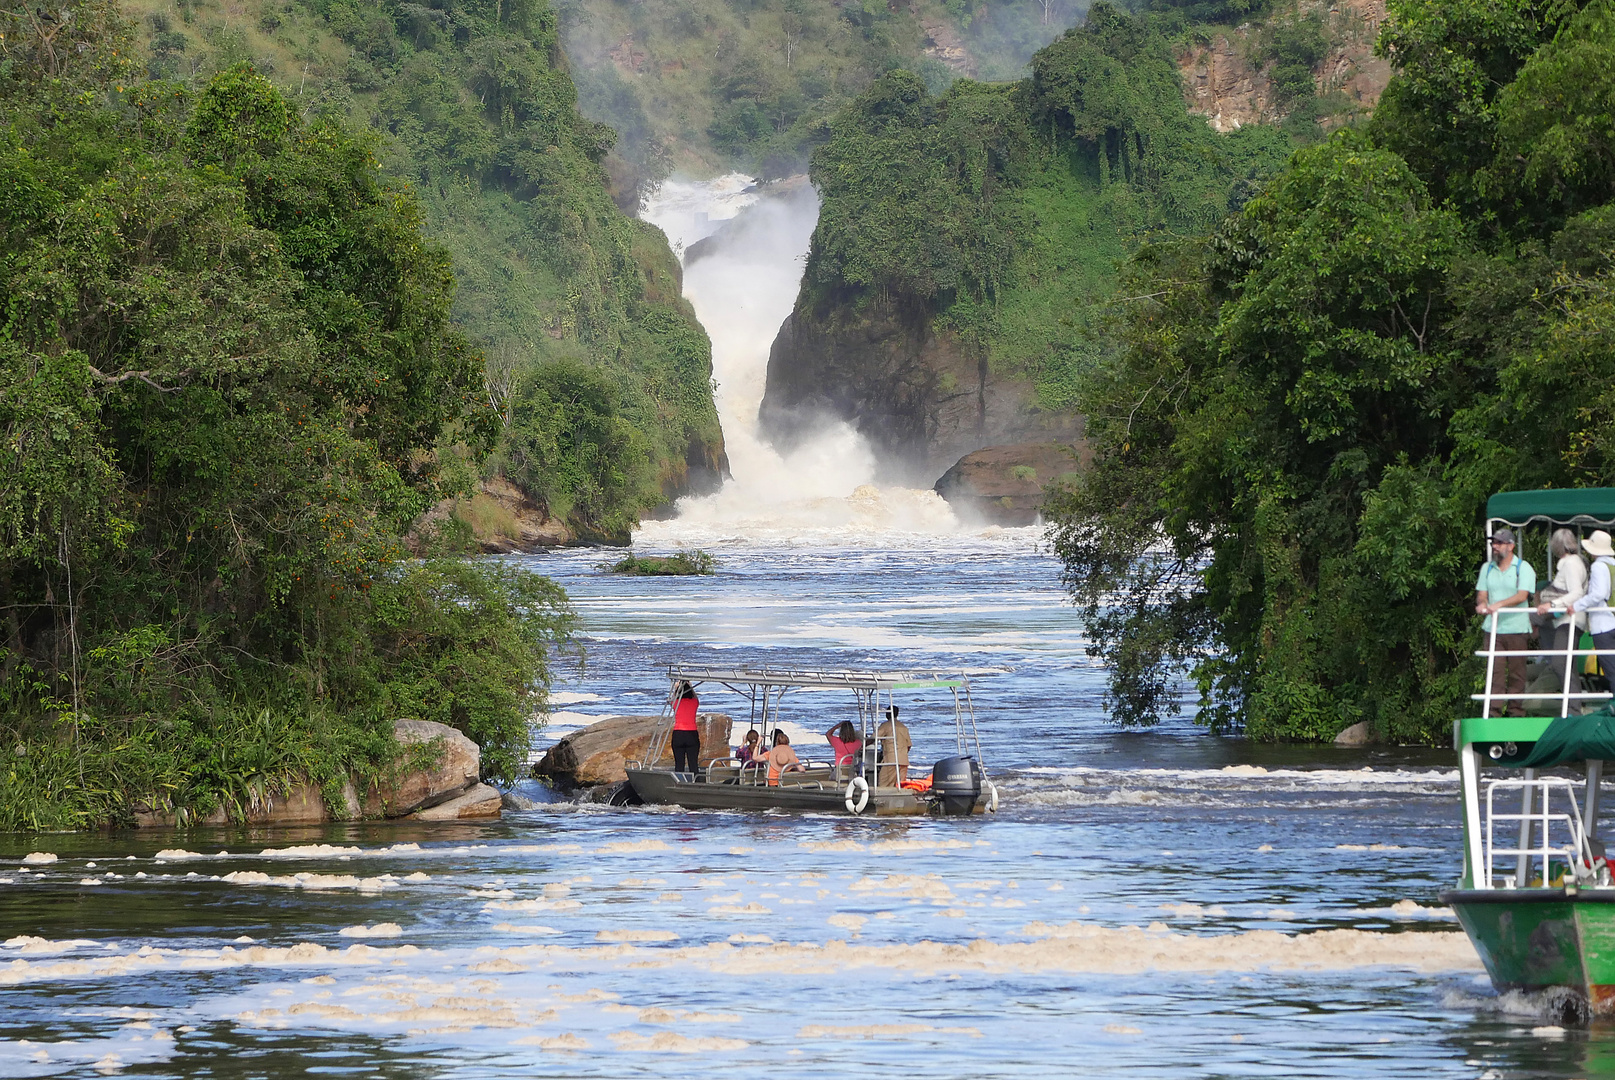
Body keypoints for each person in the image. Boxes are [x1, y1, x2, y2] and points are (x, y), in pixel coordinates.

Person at [1475, 528, 1537, 717]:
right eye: (1493, 543)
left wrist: (1499, 605)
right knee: (1495, 672)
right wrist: (1482, 605)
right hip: (1493, 628)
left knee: (1517, 673)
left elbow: (1522, 595)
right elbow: (1482, 594)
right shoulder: (1487, 568)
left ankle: (1515, 712)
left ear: (1510, 546)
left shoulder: (1523, 567)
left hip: (1517, 628)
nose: (1495, 547)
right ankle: (1493, 713)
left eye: (1499, 543)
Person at [1535, 528, 1589, 688]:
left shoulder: (1571, 564)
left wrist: (1551, 604)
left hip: (1568, 620)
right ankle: (1573, 708)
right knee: (1568, 665)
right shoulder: (1577, 561)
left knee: (1560, 663)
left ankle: (1573, 706)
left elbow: (1577, 592)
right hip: (1566, 620)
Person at [1572, 531, 1615, 692]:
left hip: (1603, 624)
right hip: (1613, 620)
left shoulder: (1598, 566)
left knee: (1611, 668)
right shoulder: (1613, 565)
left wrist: (1576, 606)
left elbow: (1599, 593)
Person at [874, 705, 912, 787]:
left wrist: (862, 746)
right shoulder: (903, 727)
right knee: (900, 786)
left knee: (883, 784)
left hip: (890, 759)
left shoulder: (886, 725)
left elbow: (874, 738)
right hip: (903, 760)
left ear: (888, 714)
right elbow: (909, 745)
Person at [670, 680, 701, 777]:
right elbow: (696, 698)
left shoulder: (676, 703)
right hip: (691, 733)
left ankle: (679, 782)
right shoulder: (694, 702)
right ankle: (695, 783)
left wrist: (676, 688)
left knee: (679, 764)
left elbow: (672, 699)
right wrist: (691, 687)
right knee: (693, 763)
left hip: (678, 733)